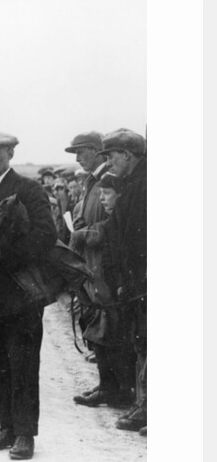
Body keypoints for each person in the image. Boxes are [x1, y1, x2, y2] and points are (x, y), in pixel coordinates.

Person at [0, 132, 57, 461]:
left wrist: (3, 253)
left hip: (21, 298)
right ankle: (5, 428)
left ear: (11, 153)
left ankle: (25, 435)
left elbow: (47, 236)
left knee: (23, 366)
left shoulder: (29, 190)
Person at [69, 172, 136, 408]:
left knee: (114, 338)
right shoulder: (113, 217)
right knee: (102, 336)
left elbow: (101, 234)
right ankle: (109, 387)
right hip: (108, 286)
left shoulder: (122, 217)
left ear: (120, 194)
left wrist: (84, 232)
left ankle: (119, 391)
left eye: (107, 194)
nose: (103, 199)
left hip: (119, 288)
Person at [98, 128, 147, 435]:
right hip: (135, 283)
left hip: (145, 282)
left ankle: (146, 409)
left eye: (112, 156)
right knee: (142, 342)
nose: (109, 162)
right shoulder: (132, 185)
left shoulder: (145, 185)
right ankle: (144, 406)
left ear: (128, 155)